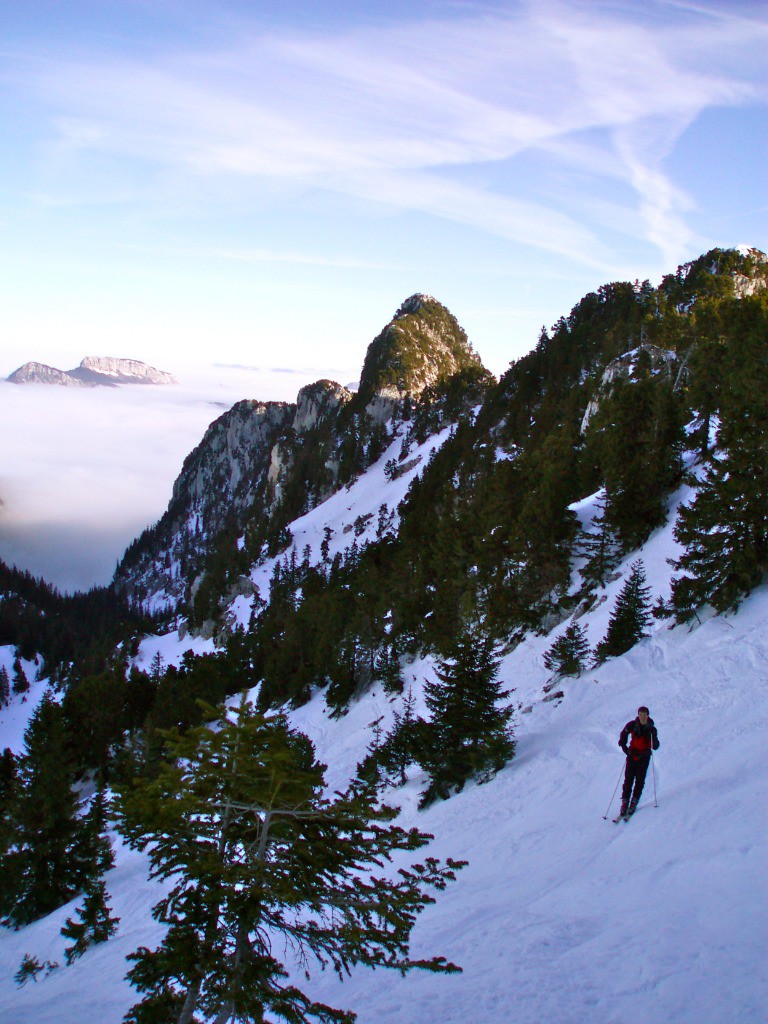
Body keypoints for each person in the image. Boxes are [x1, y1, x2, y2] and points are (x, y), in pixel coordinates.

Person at [618, 706, 659, 817]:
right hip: (632, 756)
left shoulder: (651, 729)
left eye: (644, 715)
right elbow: (623, 736)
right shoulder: (632, 725)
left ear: (648, 715)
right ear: (638, 715)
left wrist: (654, 743)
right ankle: (625, 802)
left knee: (639, 780)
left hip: (644, 757)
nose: (642, 717)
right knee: (628, 780)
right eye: (640, 714)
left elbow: (655, 745)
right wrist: (625, 748)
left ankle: (634, 801)